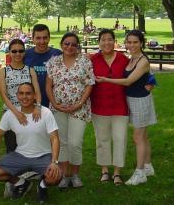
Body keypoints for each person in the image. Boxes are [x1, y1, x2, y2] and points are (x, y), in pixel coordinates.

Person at [96, 30, 157, 186]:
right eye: (129, 42)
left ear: (142, 43)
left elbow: (129, 80)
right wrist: (152, 81)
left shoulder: (140, 60)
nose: (131, 45)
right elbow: (149, 74)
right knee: (143, 136)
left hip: (140, 101)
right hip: (130, 100)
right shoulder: (131, 58)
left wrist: (105, 80)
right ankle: (148, 166)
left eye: (135, 42)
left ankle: (140, 172)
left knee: (138, 137)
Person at [0, 82, 62, 203]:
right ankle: (22, 183)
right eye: (21, 93)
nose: (24, 97)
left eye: (28, 93)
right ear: (17, 95)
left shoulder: (46, 113)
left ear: (35, 96)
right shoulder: (10, 114)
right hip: (20, 155)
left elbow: (55, 138)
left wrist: (54, 162)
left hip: (43, 155)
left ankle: (42, 186)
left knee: (56, 177)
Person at [46, 33, 95, 189]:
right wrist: (54, 103)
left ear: (77, 46)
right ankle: (64, 175)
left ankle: (75, 174)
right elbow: (49, 85)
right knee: (62, 143)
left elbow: (89, 84)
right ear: (61, 45)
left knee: (75, 143)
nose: (69, 47)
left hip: (79, 109)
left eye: (73, 44)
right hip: (58, 108)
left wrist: (79, 103)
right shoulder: (54, 61)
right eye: (66, 43)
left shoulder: (84, 61)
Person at [90, 29, 129, 186]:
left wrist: (149, 83)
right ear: (99, 42)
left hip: (120, 106)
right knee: (102, 139)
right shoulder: (93, 59)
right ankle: (105, 170)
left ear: (114, 41)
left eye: (109, 39)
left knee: (120, 139)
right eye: (103, 40)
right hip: (99, 106)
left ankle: (117, 172)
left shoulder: (123, 59)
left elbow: (135, 75)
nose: (106, 43)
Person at [0, 38, 42, 153]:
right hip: (10, 112)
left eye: (21, 51)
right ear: (9, 52)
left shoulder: (30, 70)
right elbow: (3, 94)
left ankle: (29, 170)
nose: (17, 54)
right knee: (12, 146)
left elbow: (37, 92)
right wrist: (16, 113)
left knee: (29, 146)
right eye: (14, 51)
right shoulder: (4, 71)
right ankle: (13, 170)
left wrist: (38, 107)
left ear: (24, 52)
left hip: (29, 112)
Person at [24, 24, 62, 107]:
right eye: (38, 38)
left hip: (54, 102)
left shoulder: (58, 54)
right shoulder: (25, 55)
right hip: (31, 102)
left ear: (49, 38)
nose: (42, 41)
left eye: (45, 38)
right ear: (33, 39)